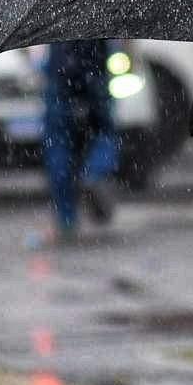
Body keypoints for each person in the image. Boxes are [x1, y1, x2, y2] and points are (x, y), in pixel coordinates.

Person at [41, 39, 122, 242]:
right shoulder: (102, 9)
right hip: (95, 76)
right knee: (103, 132)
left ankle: (67, 219)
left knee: (58, 146)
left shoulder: (50, 11)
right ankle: (95, 172)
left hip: (60, 81)